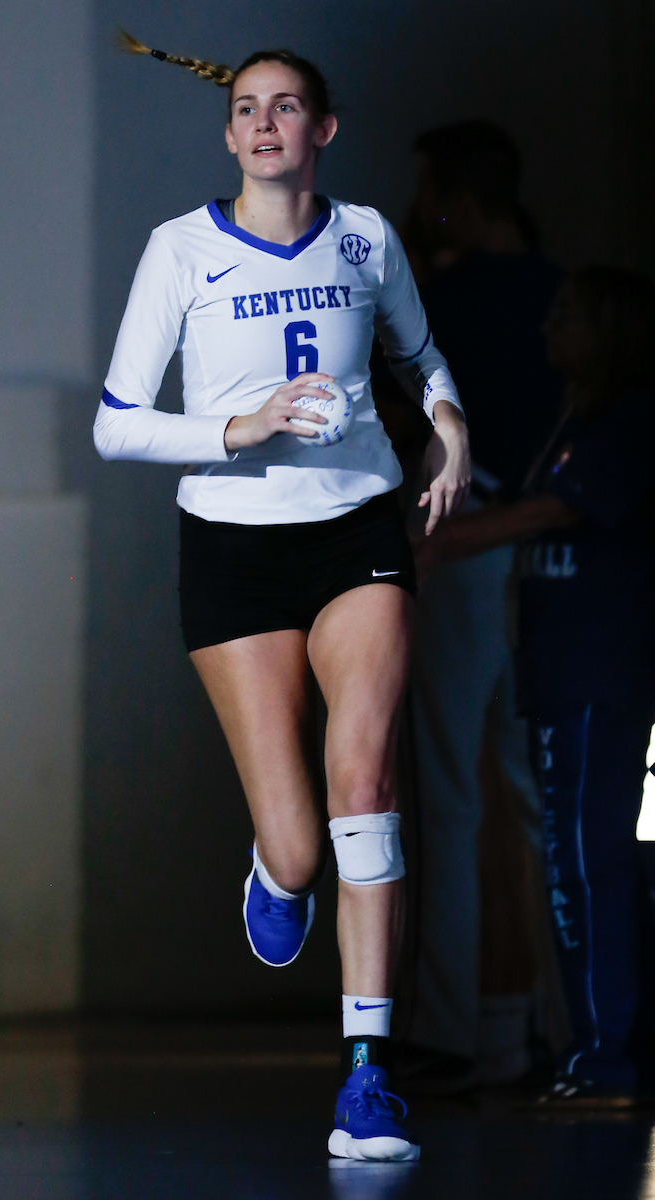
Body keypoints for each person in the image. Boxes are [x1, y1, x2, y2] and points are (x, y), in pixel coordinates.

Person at [94, 35, 470, 1159]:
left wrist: (448, 425)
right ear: (227, 134)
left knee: (367, 781)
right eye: (247, 108)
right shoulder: (178, 252)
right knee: (303, 850)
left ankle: (366, 1078)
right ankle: (275, 863)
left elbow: (422, 357)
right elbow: (116, 423)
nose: (264, 124)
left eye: (286, 106)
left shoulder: (364, 237)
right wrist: (237, 427)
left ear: (322, 128)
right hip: (234, 551)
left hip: (357, 530)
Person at [413, 265, 655, 1099]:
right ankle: (592, 1051)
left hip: (599, 681)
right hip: (557, 678)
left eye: (567, 317)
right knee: (570, 865)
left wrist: (443, 541)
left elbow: (554, 511)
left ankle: (604, 1058)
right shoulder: (571, 424)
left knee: (590, 867)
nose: (548, 331)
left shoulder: (628, 424)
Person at [396, 122, 565, 1088]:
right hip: (546, 551)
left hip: (461, 549)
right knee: (541, 795)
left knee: (447, 792)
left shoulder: (437, 301)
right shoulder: (561, 295)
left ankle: (454, 1032)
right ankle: (563, 1025)